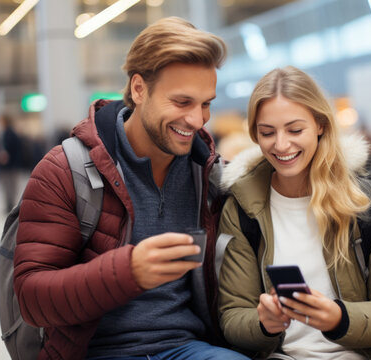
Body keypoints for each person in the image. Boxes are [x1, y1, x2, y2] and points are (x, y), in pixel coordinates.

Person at [13, 17, 249, 360]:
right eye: (182, 102)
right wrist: (128, 271)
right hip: (94, 351)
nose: (198, 120)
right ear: (139, 89)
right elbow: (32, 298)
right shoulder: (65, 170)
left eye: (206, 104)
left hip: (186, 347)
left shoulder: (207, 175)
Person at [217, 66, 371, 359]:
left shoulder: (368, 201)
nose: (281, 144)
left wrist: (339, 318)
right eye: (267, 132)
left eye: (295, 130)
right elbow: (233, 316)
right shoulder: (241, 208)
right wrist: (263, 323)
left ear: (321, 124)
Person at [0, 114, 23, 212]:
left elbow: (15, 149)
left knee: (11, 186)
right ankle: (8, 204)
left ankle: (11, 204)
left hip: (11, 165)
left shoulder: (11, 133)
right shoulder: (4, 133)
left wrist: (7, 156)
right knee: (6, 186)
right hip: (6, 166)